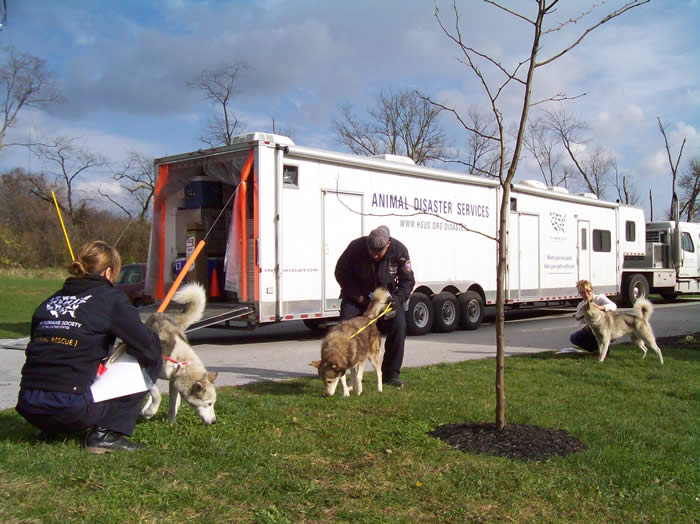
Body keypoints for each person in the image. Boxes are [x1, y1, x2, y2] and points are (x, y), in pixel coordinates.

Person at [16, 240, 163, 453]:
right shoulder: (111, 299)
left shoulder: (49, 301)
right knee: (151, 357)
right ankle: (105, 434)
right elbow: (148, 347)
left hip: (29, 405)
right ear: (108, 272)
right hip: (71, 408)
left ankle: (50, 427)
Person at [334, 225, 415, 387]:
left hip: (386, 300)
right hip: (358, 296)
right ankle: (338, 369)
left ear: (388, 245)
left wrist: (398, 299)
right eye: (372, 251)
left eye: (379, 252)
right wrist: (358, 296)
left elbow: (407, 281)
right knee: (344, 328)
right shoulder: (356, 247)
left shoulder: (399, 251)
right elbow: (340, 272)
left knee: (399, 327)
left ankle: (391, 374)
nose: (375, 255)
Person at [570, 279, 617, 354]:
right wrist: (585, 327)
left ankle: (605, 347)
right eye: (583, 292)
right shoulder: (580, 306)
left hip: (608, 328)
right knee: (574, 338)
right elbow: (581, 322)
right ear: (580, 294)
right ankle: (596, 349)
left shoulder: (599, 299)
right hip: (592, 330)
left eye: (588, 291)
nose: (586, 294)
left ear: (592, 290)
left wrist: (600, 308)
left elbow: (614, 306)